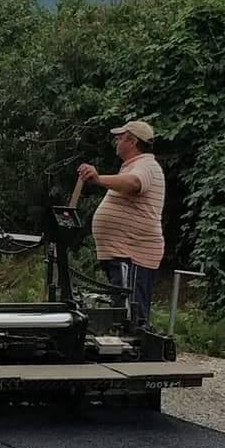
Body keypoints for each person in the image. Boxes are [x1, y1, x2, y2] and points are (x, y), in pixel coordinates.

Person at [78, 118, 166, 326]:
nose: (116, 142)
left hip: (133, 255)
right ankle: (126, 337)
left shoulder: (146, 165)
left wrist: (99, 179)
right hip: (123, 252)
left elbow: (135, 183)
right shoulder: (133, 166)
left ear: (132, 141)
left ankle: (135, 341)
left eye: (120, 138)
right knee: (123, 308)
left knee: (130, 313)